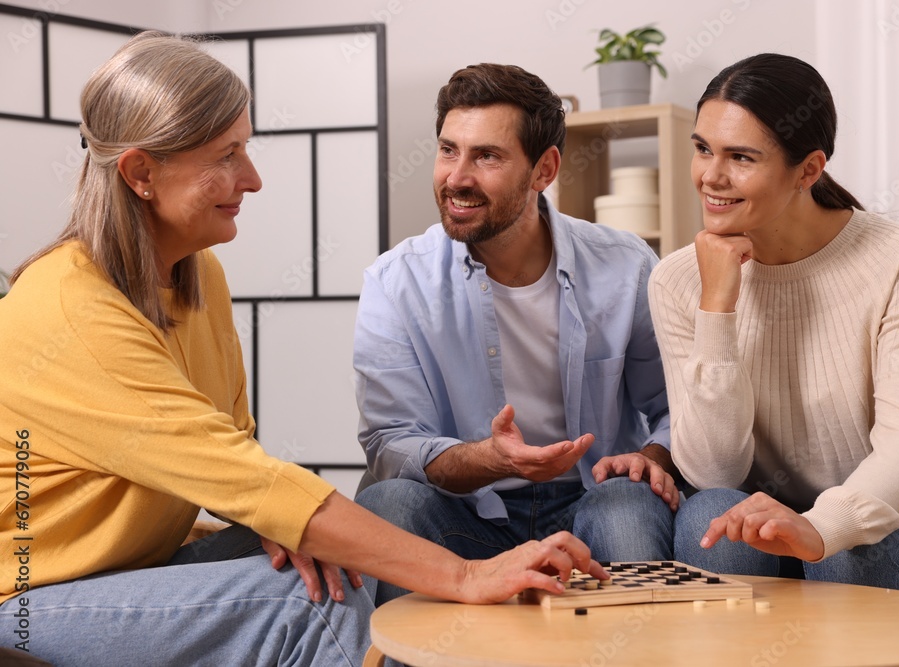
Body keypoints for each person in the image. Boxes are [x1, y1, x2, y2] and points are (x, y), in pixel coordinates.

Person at [0, 33, 608, 667]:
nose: (253, 179)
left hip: (130, 570)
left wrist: (295, 526)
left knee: (344, 561)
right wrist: (466, 575)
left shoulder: (195, 274)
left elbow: (236, 456)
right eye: (227, 155)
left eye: (246, 148)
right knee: (313, 598)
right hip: (27, 601)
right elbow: (244, 478)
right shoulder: (71, 310)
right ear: (141, 173)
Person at [353, 63, 678, 607]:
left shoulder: (625, 266)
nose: (457, 177)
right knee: (389, 504)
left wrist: (653, 456)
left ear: (543, 169)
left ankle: (633, 646)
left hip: (593, 495)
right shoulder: (395, 282)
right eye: (448, 150)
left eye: (487, 156)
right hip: (465, 510)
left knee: (628, 508)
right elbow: (390, 442)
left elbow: (674, 407)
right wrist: (491, 459)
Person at [648, 53, 899, 591]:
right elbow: (714, 472)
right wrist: (717, 307)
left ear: (808, 169)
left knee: (842, 555)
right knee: (711, 517)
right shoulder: (678, 280)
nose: (711, 176)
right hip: (764, 512)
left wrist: (821, 527)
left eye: (741, 157)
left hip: (897, 515)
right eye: (703, 148)